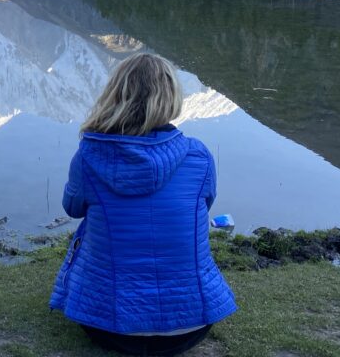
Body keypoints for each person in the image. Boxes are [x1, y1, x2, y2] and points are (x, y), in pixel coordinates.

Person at [50, 54, 237, 356]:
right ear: (172, 97)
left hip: (108, 328)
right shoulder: (199, 157)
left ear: (116, 94)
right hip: (191, 327)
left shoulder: (89, 156)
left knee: (93, 226)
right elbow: (205, 205)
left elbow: (72, 208)